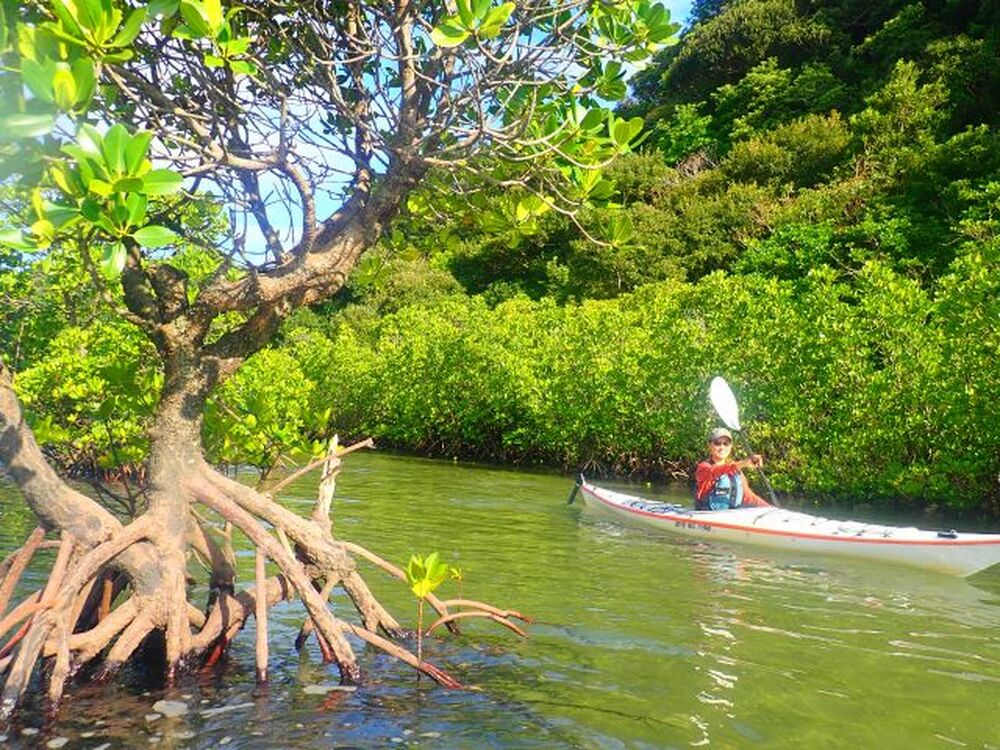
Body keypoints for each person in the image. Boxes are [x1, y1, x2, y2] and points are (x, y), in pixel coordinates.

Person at [694, 427, 770, 510]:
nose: (722, 447)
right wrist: (743, 463)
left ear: (731, 446)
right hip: (707, 514)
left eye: (726, 443)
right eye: (717, 443)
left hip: (731, 514)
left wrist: (770, 509)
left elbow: (748, 497)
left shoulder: (736, 471)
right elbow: (716, 471)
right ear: (710, 445)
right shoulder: (703, 468)